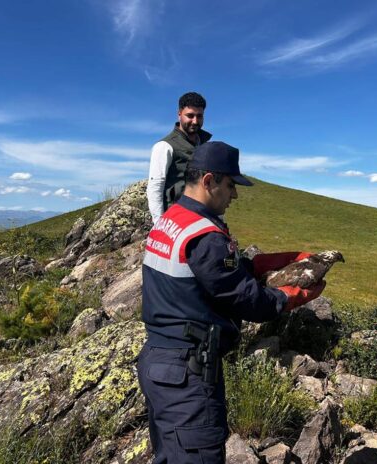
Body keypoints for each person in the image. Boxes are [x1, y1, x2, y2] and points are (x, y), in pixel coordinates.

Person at [138, 141, 326, 463]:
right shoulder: (205, 235)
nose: (234, 196)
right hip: (188, 374)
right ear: (209, 180)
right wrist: (292, 295)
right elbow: (247, 300)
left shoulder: (172, 219)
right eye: (230, 186)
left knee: (170, 455)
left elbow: (215, 275)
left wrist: (272, 262)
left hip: (158, 363)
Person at [147, 92, 212, 224]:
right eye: (190, 116)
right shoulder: (164, 146)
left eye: (199, 116)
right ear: (179, 114)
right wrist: (159, 225)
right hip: (176, 220)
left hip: (202, 217)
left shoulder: (204, 145)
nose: (195, 121)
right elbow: (155, 187)